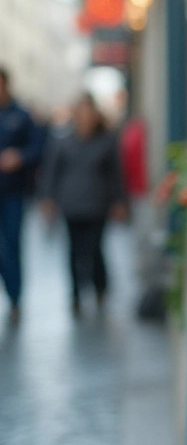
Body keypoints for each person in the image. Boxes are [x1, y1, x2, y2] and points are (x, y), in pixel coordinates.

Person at [38, 94, 127, 314]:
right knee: (73, 250)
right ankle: (76, 293)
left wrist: (119, 202)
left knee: (95, 248)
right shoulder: (63, 140)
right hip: (71, 203)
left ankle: (99, 286)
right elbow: (52, 171)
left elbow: (115, 174)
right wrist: (48, 199)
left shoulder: (106, 141)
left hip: (98, 203)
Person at [0, 68, 44, 319]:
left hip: (13, 193)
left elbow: (38, 148)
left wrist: (20, 157)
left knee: (12, 242)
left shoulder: (21, 116)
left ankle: (15, 296)